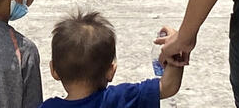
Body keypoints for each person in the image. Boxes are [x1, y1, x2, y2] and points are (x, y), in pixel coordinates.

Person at [41, 11, 185, 107]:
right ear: (111, 71)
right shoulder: (120, 98)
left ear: (54, 70)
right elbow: (167, 87)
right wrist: (177, 49)